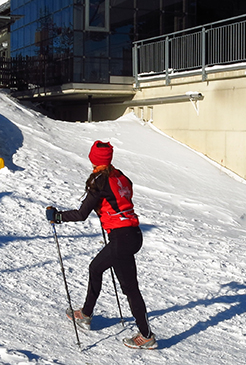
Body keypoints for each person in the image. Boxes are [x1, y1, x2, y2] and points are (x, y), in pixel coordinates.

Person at [46, 141, 157, 350]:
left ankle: (146, 335)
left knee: (130, 289)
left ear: (93, 158)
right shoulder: (119, 175)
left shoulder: (100, 181)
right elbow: (120, 199)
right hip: (132, 234)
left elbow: (81, 214)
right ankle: (86, 314)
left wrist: (58, 216)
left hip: (121, 238)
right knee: (96, 269)